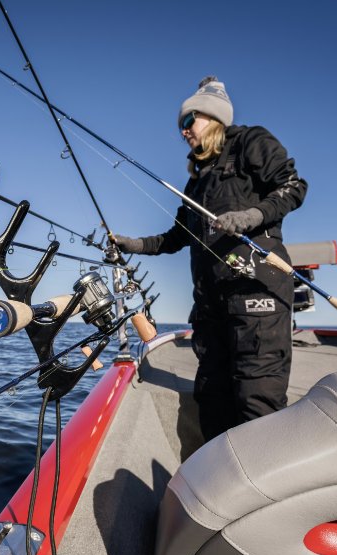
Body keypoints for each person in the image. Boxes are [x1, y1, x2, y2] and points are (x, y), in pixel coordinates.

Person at [113, 76, 307, 452]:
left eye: (189, 121)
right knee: (212, 397)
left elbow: (293, 186)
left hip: (256, 293)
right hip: (211, 303)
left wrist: (251, 216)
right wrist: (133, 244)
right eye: (181, 126)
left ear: (214, 117)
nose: (184, 131)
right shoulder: (197, 183)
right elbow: (175, 237)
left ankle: (264, 483)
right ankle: (220, 479)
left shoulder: (251, 141)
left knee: (256, 399)